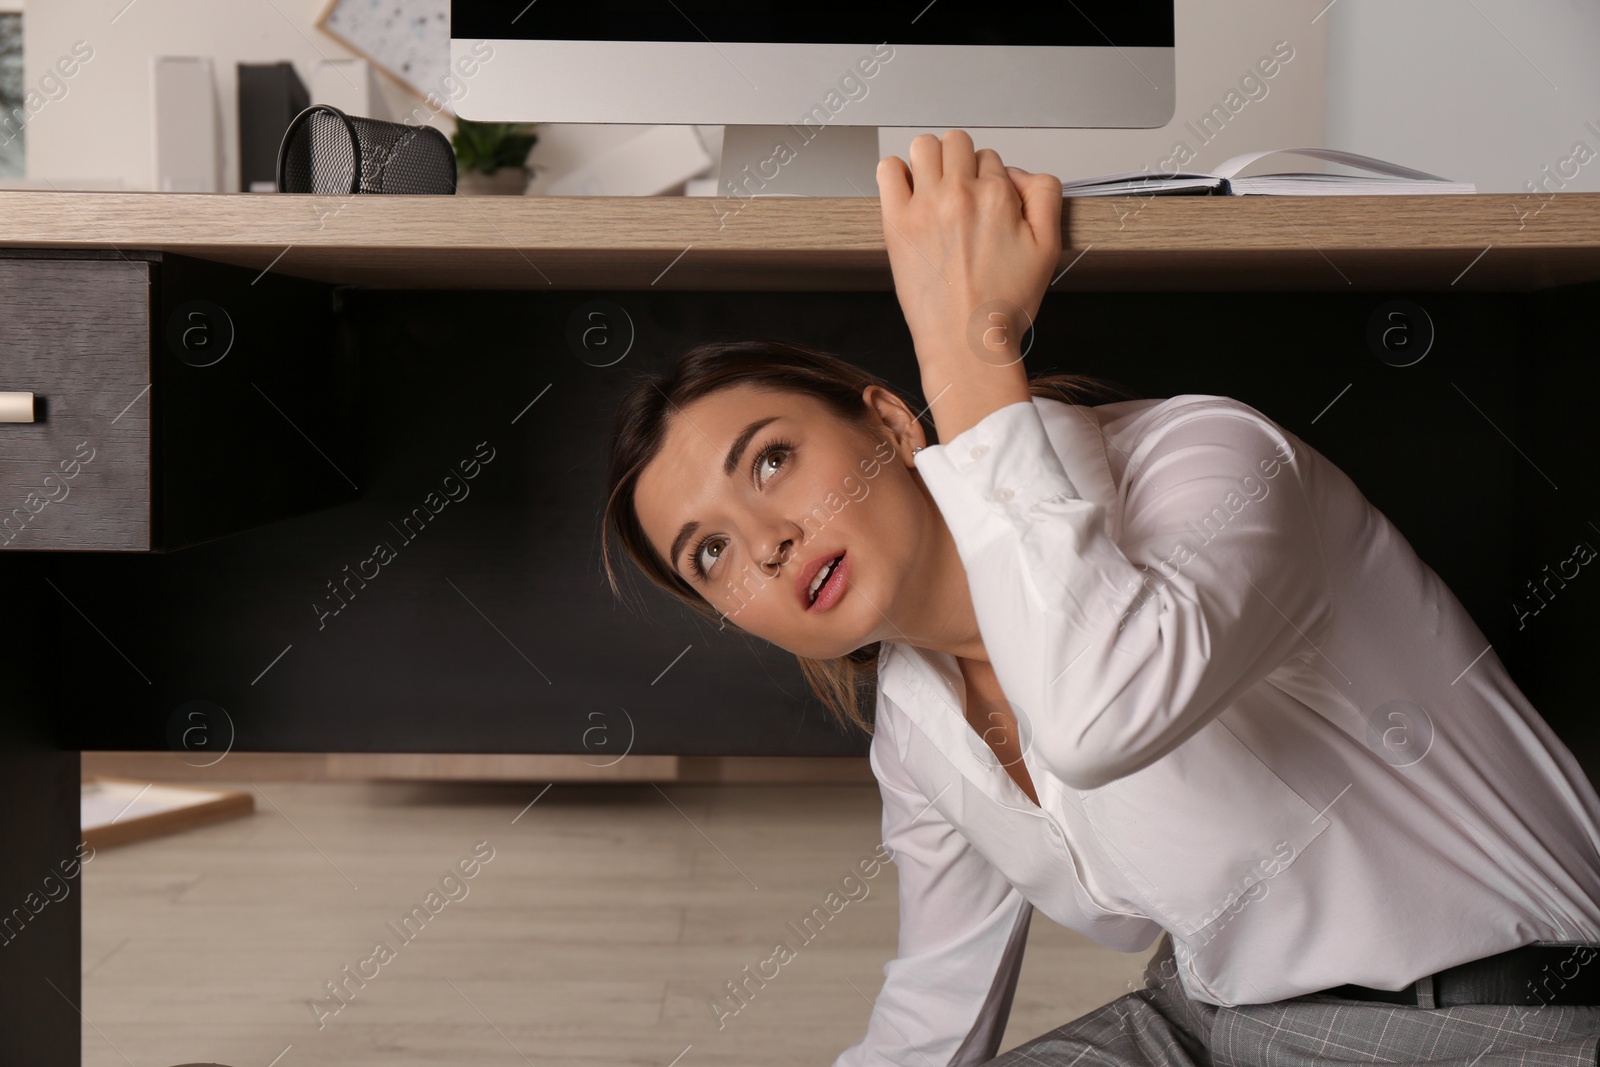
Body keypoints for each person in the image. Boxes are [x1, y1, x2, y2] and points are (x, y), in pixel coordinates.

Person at [601, 130, 1600, 1066]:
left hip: (1483, 1020)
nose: (766, 544)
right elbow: (937, 1006)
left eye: (771, 460)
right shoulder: (917, 716)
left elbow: (1096, 713)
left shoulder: (1210, 465)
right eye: (710, 554)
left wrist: (969, 349)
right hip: (1211, 1018)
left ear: (891, 423)